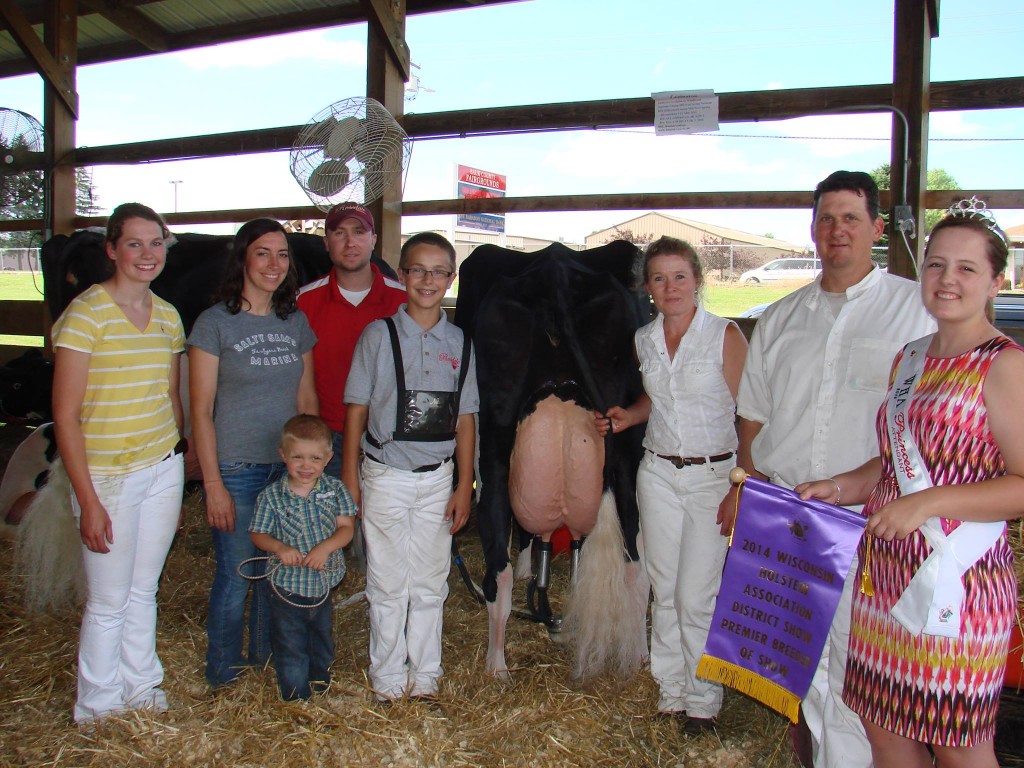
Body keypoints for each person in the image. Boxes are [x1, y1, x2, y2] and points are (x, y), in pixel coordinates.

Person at [796, 202, 1022, 768]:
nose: (948, 280)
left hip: (958, 588)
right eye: (936, 265)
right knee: (886, 736)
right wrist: (841, 485)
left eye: (967, 269)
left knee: (958, 747)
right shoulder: (912, 358)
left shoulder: (1004, 365)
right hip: (885, 581)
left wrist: (927, 504)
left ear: (998, 280)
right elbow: (896, 462)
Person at [728, 170, 935, 768]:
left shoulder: (913, 311)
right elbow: (754, 416)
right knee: (800, 663)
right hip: (787, 516)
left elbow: (925, 420)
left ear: (875, 227)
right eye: (826, 218)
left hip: (871, 518)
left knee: (854, 665)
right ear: (812, 230)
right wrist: (744, 487)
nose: (837, 230)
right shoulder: (782, 316)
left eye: (850, 218)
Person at [597, 236, 747, 735]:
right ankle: (671, 690)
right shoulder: (645, 338)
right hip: (658, 471)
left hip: (713, 476)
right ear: (648, 289)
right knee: (663, 588)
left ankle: (703, 700)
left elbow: (751, 415)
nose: (670, 287)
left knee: (695, 595)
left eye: (679, 276)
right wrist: (628, 416)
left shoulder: (725, 336)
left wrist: (740, 485)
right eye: (659, 279)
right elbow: (656, 400)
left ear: (698, 280)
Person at [52, 203, 187, 723]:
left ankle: (142, 684)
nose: (147, 254)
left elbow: (170, 398)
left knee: (143, 589)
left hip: (160, 466)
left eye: (156, 243)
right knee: (108, 599)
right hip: (106, 475)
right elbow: (64, 415)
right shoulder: (86, 314)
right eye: (135, 243)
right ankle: (98, 702)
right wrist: (86, 499)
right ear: (111, 249)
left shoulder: (169, 316)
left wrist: (178, 458)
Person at [342, 231, 478, 702]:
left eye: (438, 271)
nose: (427, 280)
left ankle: (424, 678)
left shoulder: (460, 341)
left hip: (438, 478)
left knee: (429, 580)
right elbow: (356, 408)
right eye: (417, 269)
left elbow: (465, 417)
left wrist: (464, 485)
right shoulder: (378, 335)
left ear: (450, 279)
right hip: (385, 474)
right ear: (401, 276)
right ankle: (386, 679)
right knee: (386, 580)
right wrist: (350, 478)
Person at [189, 218, 318, 690]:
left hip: (285, 471)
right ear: (243, 257)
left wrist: (310, 474)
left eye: (282, 255)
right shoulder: (215, 323)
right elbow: (201, 412)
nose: (273, 264)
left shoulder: (295, 322)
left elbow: (307, 402)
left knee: (276, 570)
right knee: (237, 572)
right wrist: (213, 483)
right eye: (263, 253)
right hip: (237, 469)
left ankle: (262, 657)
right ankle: (222, 671)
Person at [248, 414, 357, 700]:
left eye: (315, 459)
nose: (306, 466)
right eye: (298, 458)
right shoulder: (271, 496)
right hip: (285, 585)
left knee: (321, 639)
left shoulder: (335, 491)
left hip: (321, 584)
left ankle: (321, 685)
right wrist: (280, 548)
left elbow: (347, 528)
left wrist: (325, 548)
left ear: (328, 457)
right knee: (291, 643)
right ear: (283, 455)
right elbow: (257, 534)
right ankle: (296, 697)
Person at [298, 203, 406, 479]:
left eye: (359, 232)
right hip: (327, 438)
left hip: (391, 437)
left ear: (373, 240)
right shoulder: (304, 302)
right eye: (339, 233)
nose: (349, 242)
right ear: (326, 242)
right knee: (334, 521)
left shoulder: (404, 301)